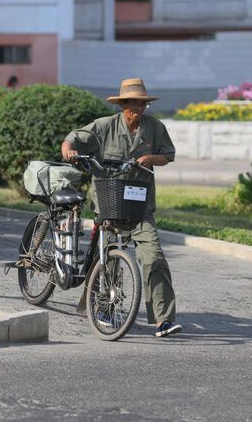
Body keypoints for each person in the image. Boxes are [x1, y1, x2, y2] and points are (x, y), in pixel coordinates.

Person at [61, 78, 183, 338]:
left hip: (140, 207)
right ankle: (102, 308)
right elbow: (73, 139)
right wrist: (68, 151)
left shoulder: (155, 127)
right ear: (123, 105)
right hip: (109, 202)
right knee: (107, 258)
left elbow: (168, 155)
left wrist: (151, 159)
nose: (138, 109)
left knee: (154, 257)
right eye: (133, 104)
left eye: (142, 105)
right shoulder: (105, 126)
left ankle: (164, 320)